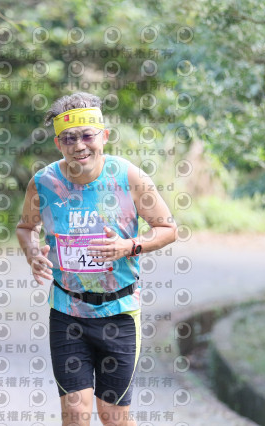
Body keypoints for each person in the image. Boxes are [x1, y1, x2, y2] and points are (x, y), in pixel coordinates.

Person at [16, 92, 177, 426]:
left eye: (87, 135)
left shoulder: (129, 178)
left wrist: (129, 246)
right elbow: (25, 228)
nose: (79, 146)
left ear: (104, 136)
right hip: (67, 313)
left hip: (119, 313)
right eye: (69, 138)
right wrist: (32, 253)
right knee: (75, 415)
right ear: (58, 144)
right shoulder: (43, 183)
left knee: (113, 418)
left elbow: (168, 229)